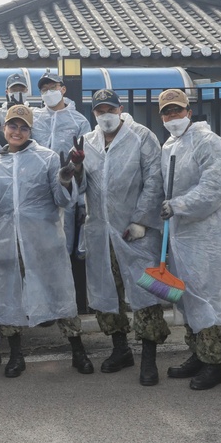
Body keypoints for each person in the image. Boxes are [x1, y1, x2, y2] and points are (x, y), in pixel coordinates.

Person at [0, 104, 93, 378]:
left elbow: (63, 200)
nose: (18, 131)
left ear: (30, 130)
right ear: (4, 128)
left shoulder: (47, 158)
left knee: (59, 291)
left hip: (43, 241)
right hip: (7, 243)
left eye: (24, 127)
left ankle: (78, 350)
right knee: (9, 295)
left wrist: (65, 177)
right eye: (13, 126)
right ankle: (15, 354)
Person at [76, 89, 168, 386]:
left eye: (110, 109)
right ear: (93, 113)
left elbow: (154, 180)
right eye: (99, 109)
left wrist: (141, 220)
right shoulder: (87, 142)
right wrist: (73, 169)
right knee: (106, 293)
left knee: (145, 293)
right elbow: (78, 189)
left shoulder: (142, 136)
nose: (105, 114)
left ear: (121, 108)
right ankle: (120, 349)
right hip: (100, 231)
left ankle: (149, 358)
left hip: (135, 233)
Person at [157, 88, 221, 391]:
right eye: (166, 112)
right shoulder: (169, 145)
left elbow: (214, 187)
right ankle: (197, 354)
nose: (172, 117)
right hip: (182, 237)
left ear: (189, 112)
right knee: (188, 299)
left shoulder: (209, 143)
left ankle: (213, 363)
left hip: (208, 237)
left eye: (177, 110)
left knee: (207, 299)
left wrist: (178, 205)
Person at [33, 71, 91, 255]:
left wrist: (82, 202)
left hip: (67, 189)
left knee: (63, 245)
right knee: (37, 245)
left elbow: (86, 163)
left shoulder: (79, 121)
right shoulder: (34, 118)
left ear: (63, 89)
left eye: (53, 88)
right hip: (37, 189)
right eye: (44, 89)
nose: (49, 92)